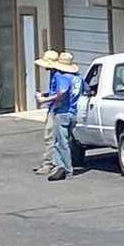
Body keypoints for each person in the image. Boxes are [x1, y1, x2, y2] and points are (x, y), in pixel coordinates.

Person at [37, 49, 83, 180]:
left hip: (61, 111)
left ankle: (64, 168)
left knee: (59, 141)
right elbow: (86, 90)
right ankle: (59, 166)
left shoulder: (61, 77)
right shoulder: (77, 78)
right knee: (60, 140)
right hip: (71, 112)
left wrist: (45, 99)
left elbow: (61, 92)